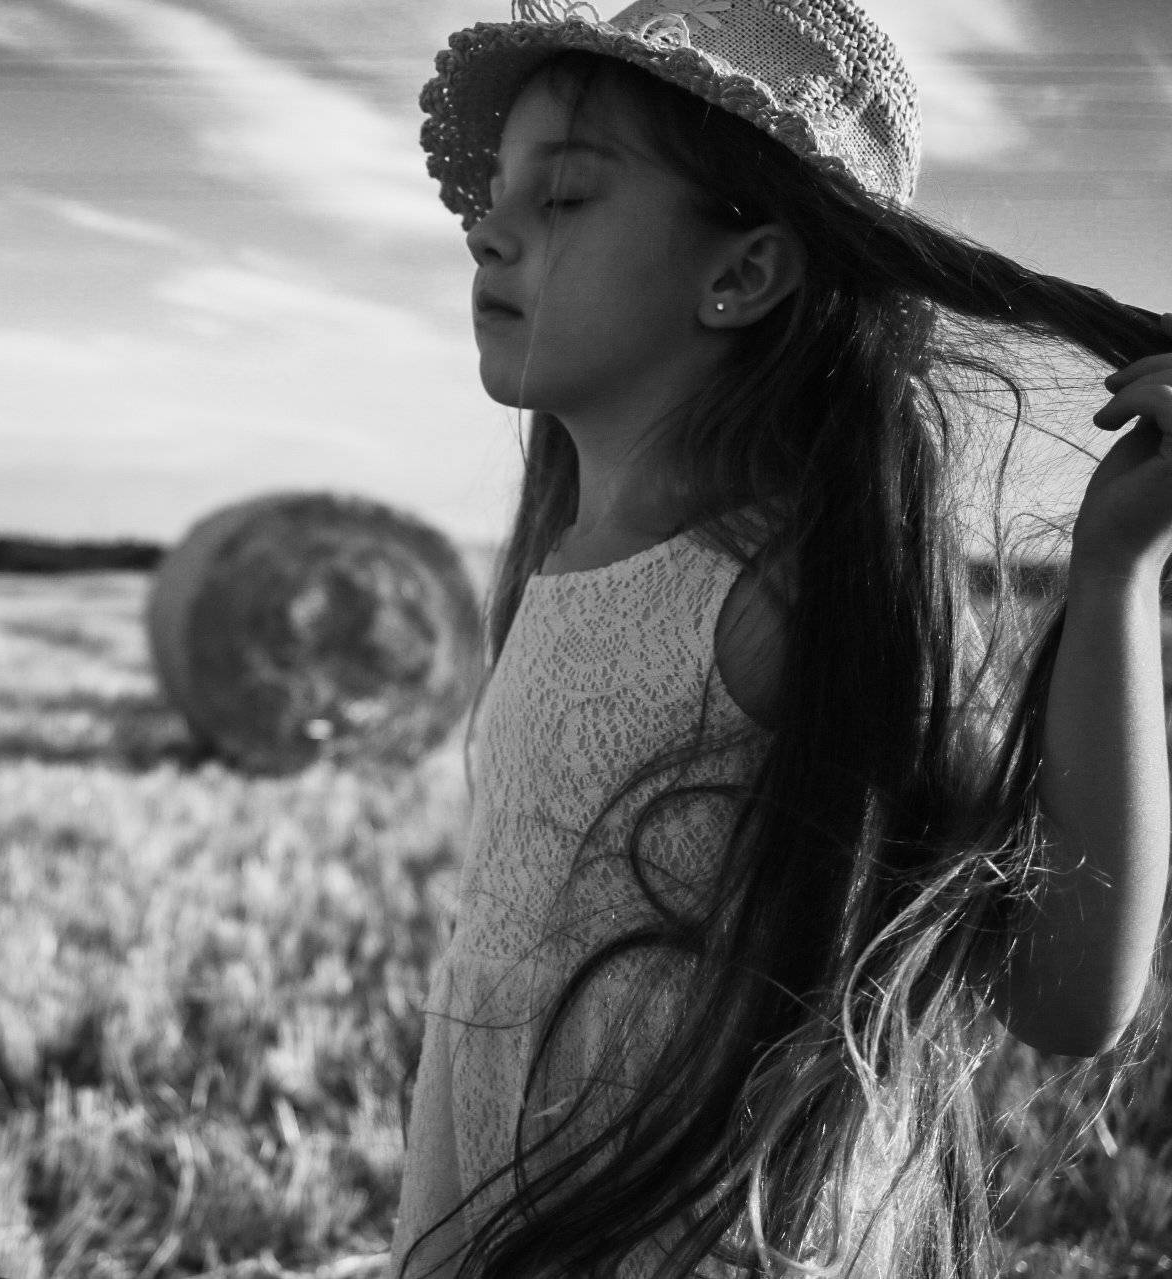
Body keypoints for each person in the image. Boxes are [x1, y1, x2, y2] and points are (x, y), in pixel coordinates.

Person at [391, 1, 1172, 1275]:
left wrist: (1117, 570)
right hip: (498, 1188)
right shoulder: (557, 548)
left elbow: (1067, 993)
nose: (487, 227)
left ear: (743, 273)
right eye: (498, 195)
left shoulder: (783, 592)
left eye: (565, 196)